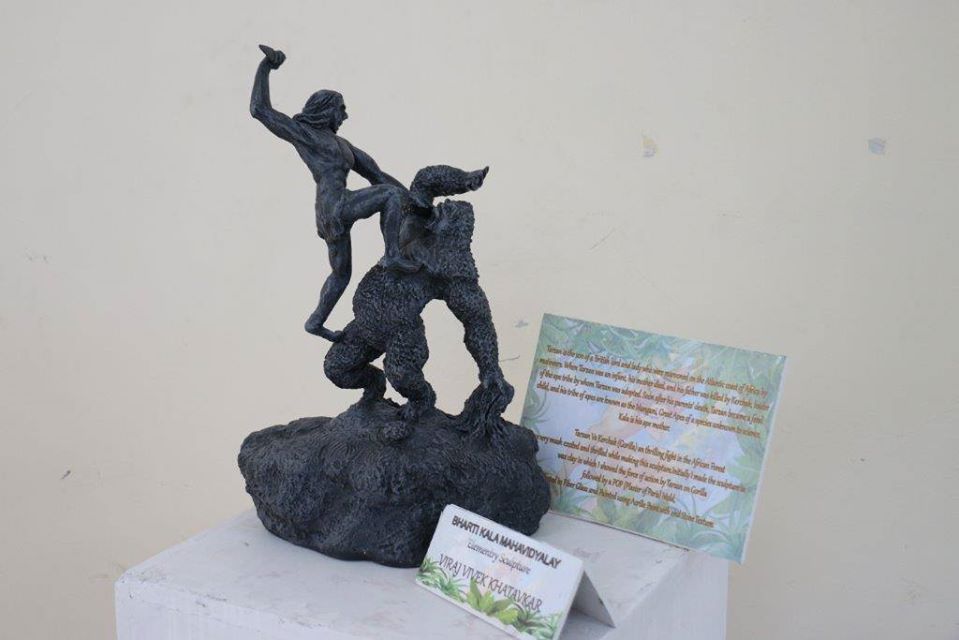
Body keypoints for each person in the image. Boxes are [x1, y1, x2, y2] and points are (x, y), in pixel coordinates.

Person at [250, 44, 416, 342]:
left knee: (341, 275)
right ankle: (392, 255)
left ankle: (315, 322)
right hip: (336, 206)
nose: (346, 116)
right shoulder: (306, 134)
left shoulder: (344, 146)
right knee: (390, 196)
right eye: (342, 109)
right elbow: (260, 110)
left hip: (333, 210)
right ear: (327, 110)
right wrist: (266, 67)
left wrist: (415, 202)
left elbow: (377, 175)